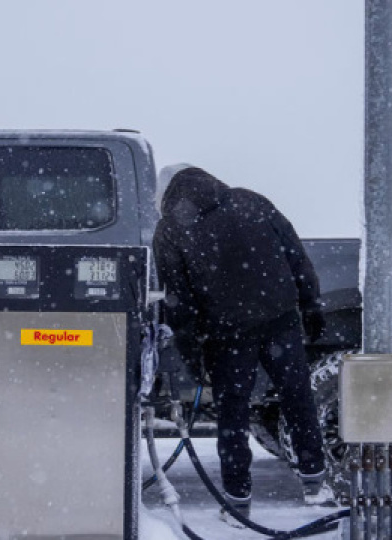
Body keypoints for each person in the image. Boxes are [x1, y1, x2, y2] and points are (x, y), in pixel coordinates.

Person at [153, 164, 332, 525]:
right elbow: (296, 255)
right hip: (279, 320)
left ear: (167, 194)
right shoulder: (251, 200)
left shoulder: (169, 229)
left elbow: (179, 302)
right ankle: (315, 483)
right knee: (297, 398)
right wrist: (311, 304)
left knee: (232, 415)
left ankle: (238, 501)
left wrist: (192, 354)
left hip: (227, 333)